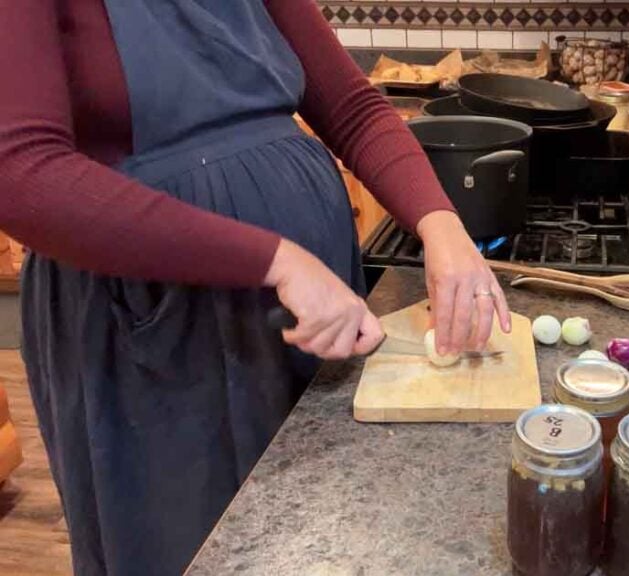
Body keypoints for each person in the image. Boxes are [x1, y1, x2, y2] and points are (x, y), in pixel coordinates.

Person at [0, 1, 511, 574]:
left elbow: (352, 107)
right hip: (157, 331)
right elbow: (19, 173)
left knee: (325, 532)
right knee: (192, 548)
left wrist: (440, 225)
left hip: (300, 313)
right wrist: (275, 260)